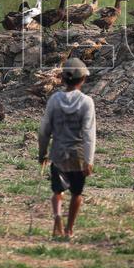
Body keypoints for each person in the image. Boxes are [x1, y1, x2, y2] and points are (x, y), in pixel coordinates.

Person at [38, 57, 96, 239]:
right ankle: (69, 230)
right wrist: (89, 160)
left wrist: (43, 153)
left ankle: (57, 218)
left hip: (58, 153)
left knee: (57, 191)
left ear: (62, 79)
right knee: (77, 193)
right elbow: (88, 134)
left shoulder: (55, 100)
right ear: (83, 79)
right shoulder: (87, 102)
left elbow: (44, 130)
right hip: (78, 155)